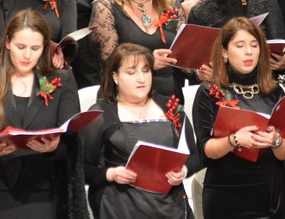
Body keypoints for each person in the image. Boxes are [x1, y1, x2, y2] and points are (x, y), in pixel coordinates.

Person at [0, 10, 87, 218]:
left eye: (35, 48)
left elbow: (73, 142)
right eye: (21, 47)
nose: (27, 55)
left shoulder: (62, 79)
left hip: (45, 189)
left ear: (44, 47)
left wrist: (55, 147)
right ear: (8, 43)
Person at [192, 17, 285, 218]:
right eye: (240, 45)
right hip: (226, 194)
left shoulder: (274, 91)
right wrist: (234, 140)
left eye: (254, 45)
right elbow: (205, 150)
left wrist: (275, 140)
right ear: (224, 52)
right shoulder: (209, 92)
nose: (249, 51)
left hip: (271, 192)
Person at [82, 43, 198, 219]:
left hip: (169, 205)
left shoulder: (171, 107)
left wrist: (184, 170)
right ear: (115, 77)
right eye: (131, 72)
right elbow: (80, 168)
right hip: (120, 206)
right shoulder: (101, 114)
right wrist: (110, 174)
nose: (141, 79)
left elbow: (195, 156)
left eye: (146, 70)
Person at [89, 0, 190, 99]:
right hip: (125, 101)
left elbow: (183, 59)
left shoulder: (171, 3)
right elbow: (109, 65)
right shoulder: (105, 8)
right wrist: (148, 62)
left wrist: (200, 71)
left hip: (170, 98)